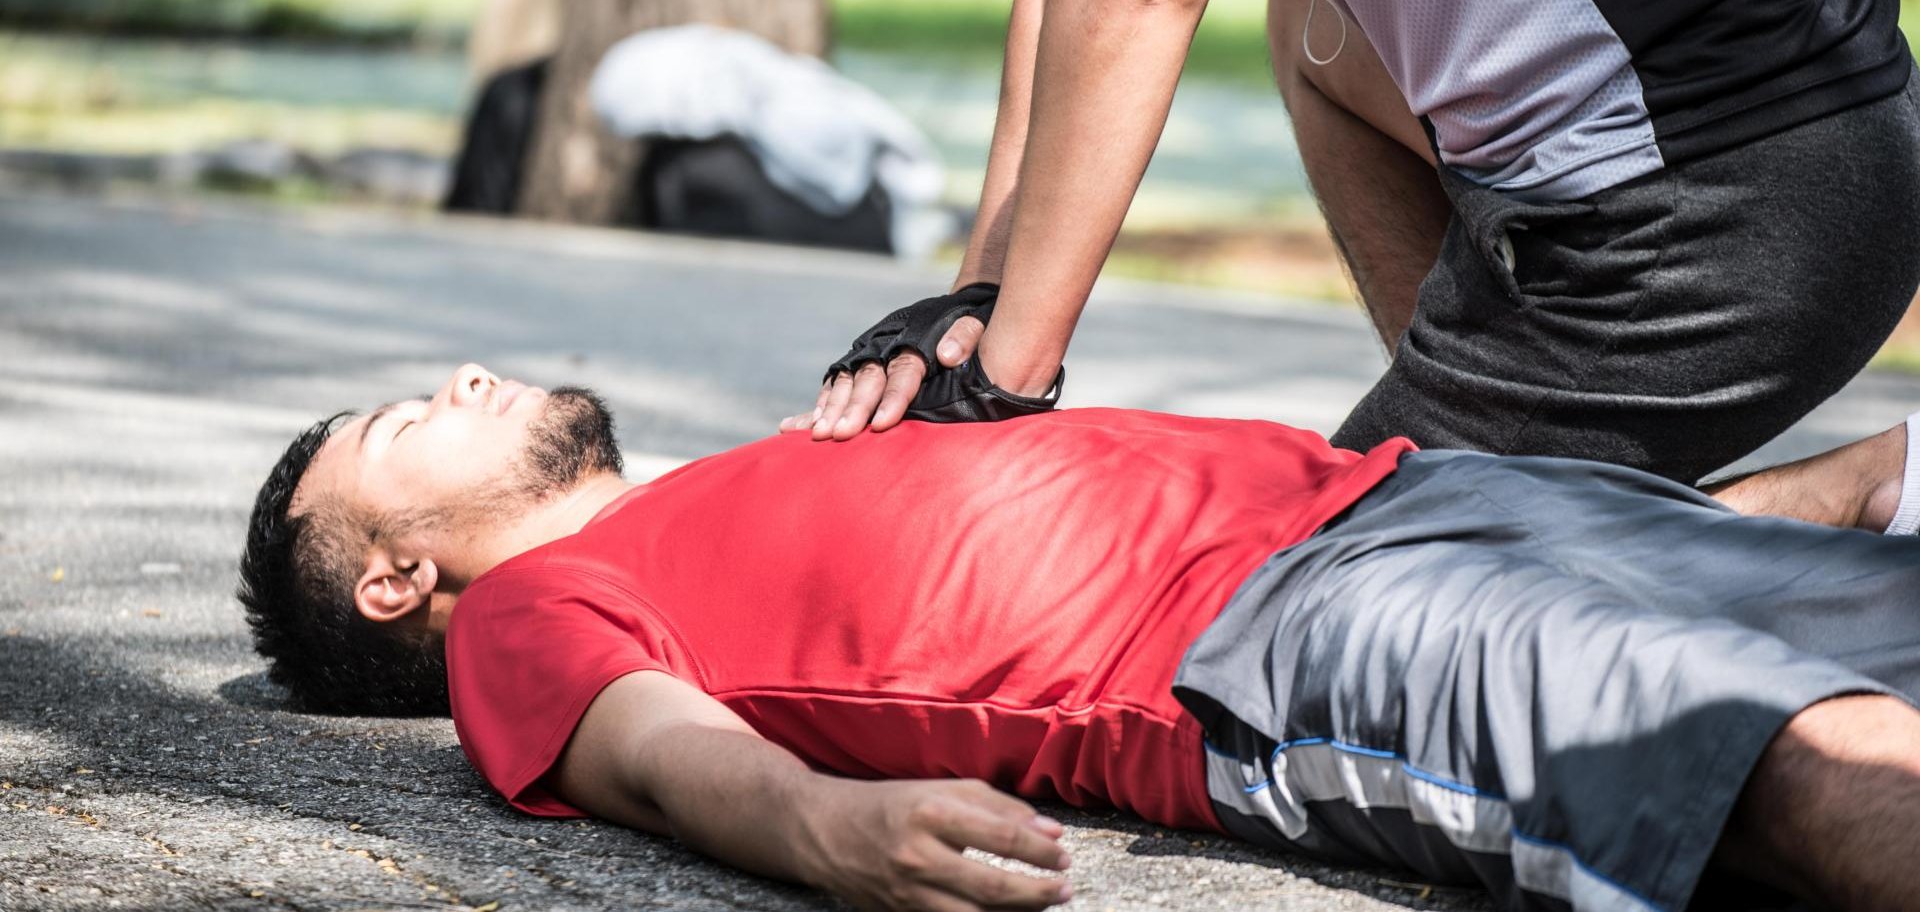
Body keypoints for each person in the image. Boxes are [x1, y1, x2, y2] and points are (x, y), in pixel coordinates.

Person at [241, 363, 1920, 912]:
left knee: (1874, 552)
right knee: (1764, 749)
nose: (460, 380)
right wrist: (826, 826)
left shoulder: (721, 482)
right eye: (408, 419)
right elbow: (656, 750)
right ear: (398, 575)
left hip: (1392, 494)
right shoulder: (525, 611)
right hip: (1276, 632)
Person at [782, 0, 1920, 533]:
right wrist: (977, 299)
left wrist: (1005, 384)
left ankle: (1833, 495)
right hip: (1820, 144)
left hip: (1722, 224)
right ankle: (1468, 466)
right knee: (1312, 27)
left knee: (1294, 605)